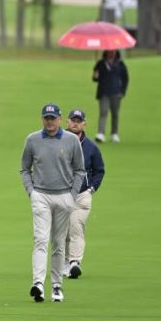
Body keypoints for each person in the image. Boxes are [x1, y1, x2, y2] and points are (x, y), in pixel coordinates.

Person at [20, 103, 85, 303]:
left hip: (64, 196)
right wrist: (31, 192)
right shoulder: (32, 140)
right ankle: (38, 283)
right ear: (42, 119)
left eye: (53, 118)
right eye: (46, 118)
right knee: (40, 239)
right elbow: (25, 169)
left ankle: (56, 285)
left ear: (59, 119)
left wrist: (72, 195)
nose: (50, 122)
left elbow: (80, 170)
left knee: (58, 243)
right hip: (41, 195)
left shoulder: (71, 140)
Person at [63, 109, 104, 280]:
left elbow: (99, 170)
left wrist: (91, 188)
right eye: (73, 120)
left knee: (76, 226)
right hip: (62, 194)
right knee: (62, 231)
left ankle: (74, 262)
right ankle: (65, 263)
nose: (75, 123)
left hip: (82, 195)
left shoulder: (91, 147)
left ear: (84, 124)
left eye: (79, 121)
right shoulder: (60, 142)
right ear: (67, 122)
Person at [92, 49, 129, 143]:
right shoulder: (100, 63)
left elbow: (125, 78)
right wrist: (95, 73)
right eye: (110, 51)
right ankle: (101, 133)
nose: (112, 53)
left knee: (115, 114)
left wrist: (122, 91)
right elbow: (95, 78)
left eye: (113, 51)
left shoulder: (120, 64)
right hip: (104, 92)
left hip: (116, 93)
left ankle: (114, 133)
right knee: (103, 112)